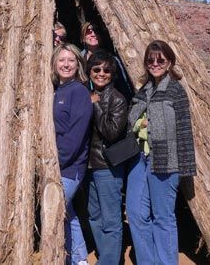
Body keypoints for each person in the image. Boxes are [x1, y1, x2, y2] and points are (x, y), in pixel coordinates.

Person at [126, 40, 196, 265]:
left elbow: (185, 130)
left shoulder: (175, 91)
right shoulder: (144, 89)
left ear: (169, 63)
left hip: (166, 162)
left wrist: (184, 168)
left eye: (160, 60)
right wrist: (139, 123)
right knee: (136, 214)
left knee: (163, 218)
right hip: (140, 159)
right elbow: (131, 119)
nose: (155, 64)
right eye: (150, 60)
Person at [52, 43, 92, 265]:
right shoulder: (58, 89)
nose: (66, 64)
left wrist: (57, 162)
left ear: (78, 65)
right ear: (54, 63)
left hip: (69, 167)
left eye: (71, 61)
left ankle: (67, 257)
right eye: (61, 60)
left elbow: (75, 135)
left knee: (56, 212)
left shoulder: (78, 91)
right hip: (60, 164)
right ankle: (79, 259)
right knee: (68, 212)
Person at [86, 50, 128, 265]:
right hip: (91, 166)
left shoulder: (117, 99)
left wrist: (95, 105)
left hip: (107, 167)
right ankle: (106, 257)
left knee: (111, 220)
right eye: (96, 69)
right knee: (94, 216)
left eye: (106, 70)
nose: (101, 74)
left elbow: (111, 132)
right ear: (89, 71)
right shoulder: (88, 93)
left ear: (112, 73)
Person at [79, 21, 134, 102]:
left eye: (96, 31)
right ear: (83, 37)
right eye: (88, 31)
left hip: (109, 102)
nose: (93, 34)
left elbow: (122, 84)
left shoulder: (112, 59)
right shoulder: (78, 59)